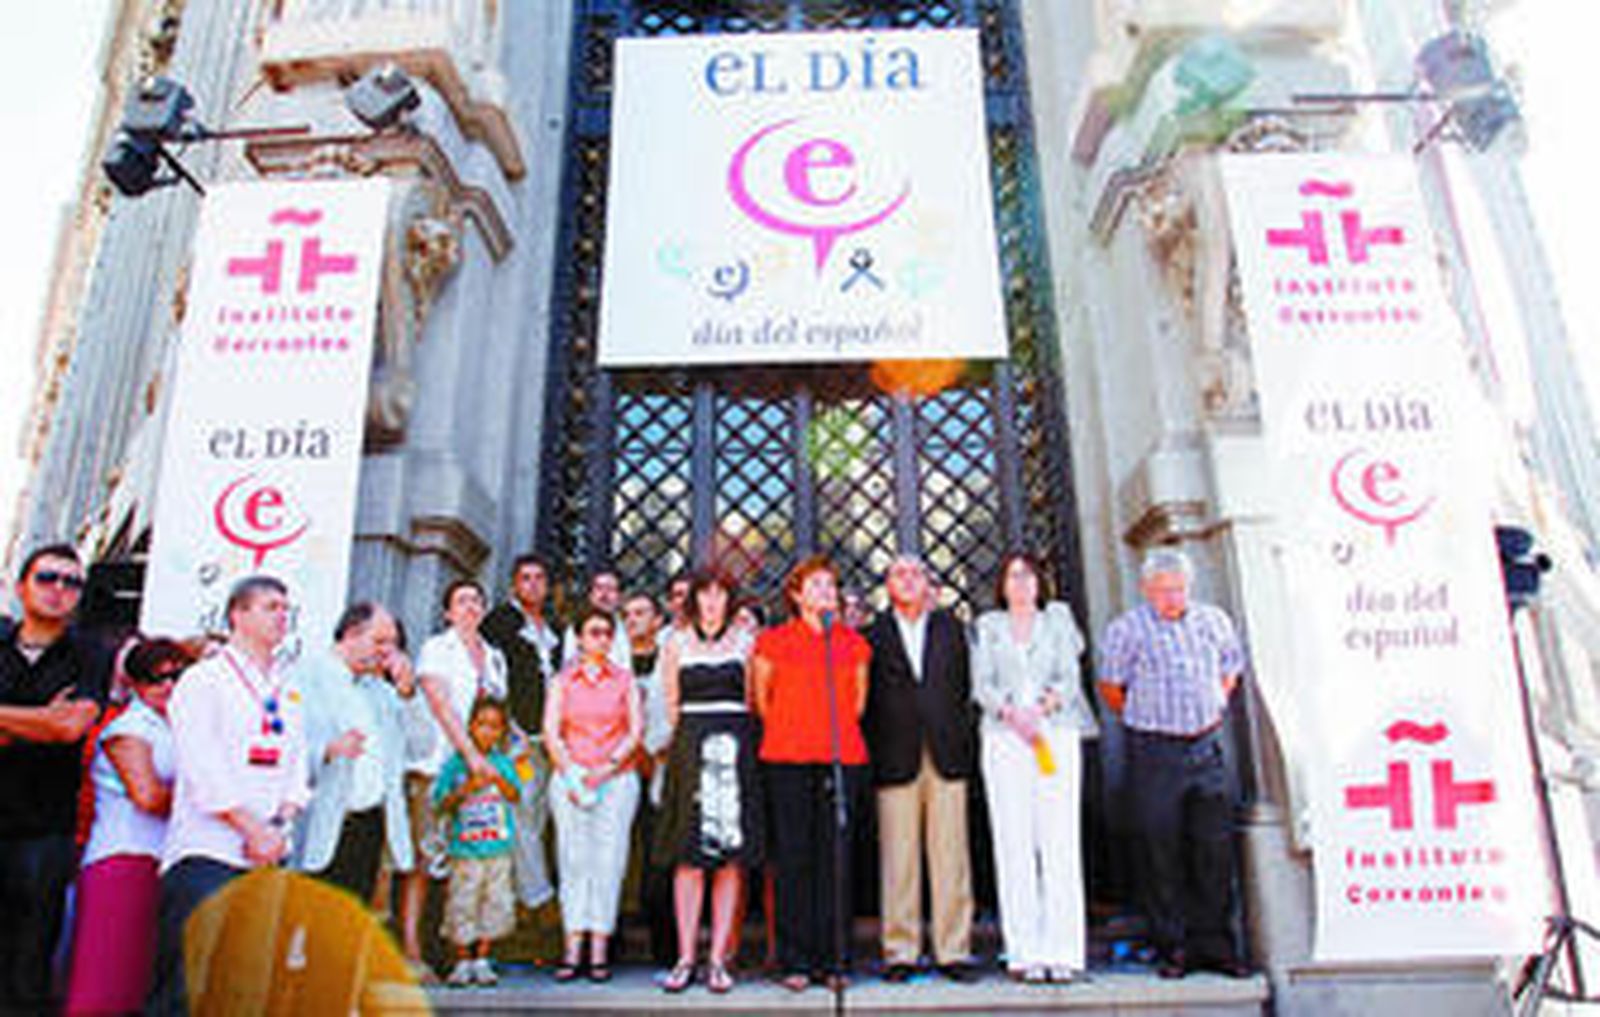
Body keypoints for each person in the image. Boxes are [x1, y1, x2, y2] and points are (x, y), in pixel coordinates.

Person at [149, 575, 310, 1016]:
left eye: (285, 608)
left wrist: (277, 825)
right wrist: (249, 827)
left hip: (268, 856)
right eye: (270, 606)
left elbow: (297, 764)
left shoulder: (287, 686)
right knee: (185, 986)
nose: (282, 616)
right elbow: (202, 767)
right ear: (238, 614)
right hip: (208, 851)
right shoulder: (204, 680)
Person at [1098, 547, 1248, 979]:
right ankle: (1174, 945)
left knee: (1214, 847)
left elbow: (1230, 667)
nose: (1171, 598)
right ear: (1145, 590)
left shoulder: (1213, 621)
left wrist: (1216, 702)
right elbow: (1111, 687)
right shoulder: (1126, 629)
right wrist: (1144, 718)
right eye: (1162, 591)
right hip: (1153, 751)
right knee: (1160, 849)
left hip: (1205, 746)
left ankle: (1217, 944)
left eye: (1178, 589)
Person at [972, 551, 1099, 984]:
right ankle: (1024, 949)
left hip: (1053, 736)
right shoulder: (988, 627)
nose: (1021, 582)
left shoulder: (1057, 622)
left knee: (1059, 839)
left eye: (1027, 575)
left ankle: (1062, 949)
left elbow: (1069, 675)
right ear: (1002, 584)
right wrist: (1013, 713)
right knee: (1014, 841)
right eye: (1012, 575)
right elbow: (981, 684)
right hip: (1005, 738)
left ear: (1039, 582)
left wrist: (1040, 710)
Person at [751, 556, 871, 992]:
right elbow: (761, 700)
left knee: (834, 859)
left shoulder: (852, 643)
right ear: (797, 595)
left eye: (830, 586)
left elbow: (858, 702)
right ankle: (796, 960)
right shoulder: (772, 641)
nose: (825, 593)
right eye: (816, 585)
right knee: (794, 860)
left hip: (841, 759)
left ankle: (835, 959)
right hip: (786, 758)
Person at [0, 543, 108, 1013]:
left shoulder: (89, 653)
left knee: (28, 968)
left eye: (71, 582)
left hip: (45, 832)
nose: (59, 589)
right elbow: (51, 725)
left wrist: (27, 723)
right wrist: (39, 720)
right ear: (20, 586)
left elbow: (69, 727)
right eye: (47, 578)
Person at [864, 556, 978, 983]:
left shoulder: (952, 629)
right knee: (899, 857)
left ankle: (954, 950)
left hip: (947, 753)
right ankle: (901, 951)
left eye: (916, 574)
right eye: (899, 574)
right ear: (888, 585)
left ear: (929, 584)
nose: (908, 580)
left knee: (951, 855)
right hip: (895, 755)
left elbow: (966, 688)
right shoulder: (873, 635)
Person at [64, 637, 190, 1016]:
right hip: (123, 862)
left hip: (162, 863)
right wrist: (210, 801)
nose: (168, 685)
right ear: (134, 684)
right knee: (105, 985)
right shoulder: (128, 729)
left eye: (177, 675)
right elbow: (147, 796)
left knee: (138, 984)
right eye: (155, 678)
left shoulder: (180, 726)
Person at [655, 570, 763, 994]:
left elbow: (753, 700)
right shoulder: (676, 643)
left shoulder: (746, 642)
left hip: (735, 745)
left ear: (730, 600)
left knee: (729, 856)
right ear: (695, 600)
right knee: (689, 857)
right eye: (706, 594)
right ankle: (686, 957)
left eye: (721, 594)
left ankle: (718, 959)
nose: (713, 602)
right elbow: (672, 705)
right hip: (691, 746)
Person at [402, 579, 509, 977]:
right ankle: (413, 950)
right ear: (448, 611)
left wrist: (499, 765)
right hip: (440, 767)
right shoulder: (436, 649)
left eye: (477, 600)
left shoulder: (495, 657)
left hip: (482, 778)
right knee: (425, 859)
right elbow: (440, 705)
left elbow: (500, 714)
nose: (470, 607)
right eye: (462, 601)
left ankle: (462, 953)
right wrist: (469, 756)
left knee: (471, 861)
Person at [295, 602, 432, 901]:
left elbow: (423, 745)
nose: (388, 652)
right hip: (319, 826)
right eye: (380, 641)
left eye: (394, 644)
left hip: (370, 826)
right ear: (351, 635)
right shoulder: (304, 677)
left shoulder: (382, 691)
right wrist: (327, 751)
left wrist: (409, 695)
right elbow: (283, 752)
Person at [543, 608, 643, 982]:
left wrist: (608, 766)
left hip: (616, 780)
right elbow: (551, 731)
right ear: (580, 638)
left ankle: (599, 949)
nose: (600, 639)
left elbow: (634, 730)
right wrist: (571, 773)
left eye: (606, 633)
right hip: (571, 778)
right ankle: (572, 948)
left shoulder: (625, 680)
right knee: (572, 860)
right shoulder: (562, 681)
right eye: (593, 632)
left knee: (609, 861)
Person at [479, 554, 560, 913]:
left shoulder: (553, 626)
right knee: (521, 811)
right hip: (519, 736)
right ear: (514, 584)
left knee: (538, 814)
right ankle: (538, 896)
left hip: (550, 738)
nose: (532, 584)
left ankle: (518, 893)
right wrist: (507, 729)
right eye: (525, 578)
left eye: (539, 577)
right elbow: (491, 679)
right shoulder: (499, 622)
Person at [434, 695, 522, 987]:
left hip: (497, 847)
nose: (488, 732)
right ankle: (462, 959)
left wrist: (498, 780)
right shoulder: (456, 765)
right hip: (466, 850)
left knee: (494, 902)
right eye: (482, 725)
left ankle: (483, 958)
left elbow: (515, 795)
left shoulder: (503, 762)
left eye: (495, 727)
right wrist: (466, 789)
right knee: (463, 902)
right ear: (470, 726)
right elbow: (441, 803)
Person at [562, 568, 631, 671]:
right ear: (590, 595)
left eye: (610, 589)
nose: (604, 595)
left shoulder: (628, 627)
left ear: (620, 597)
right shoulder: (576, 628)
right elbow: (569, 667)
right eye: (599, 588)